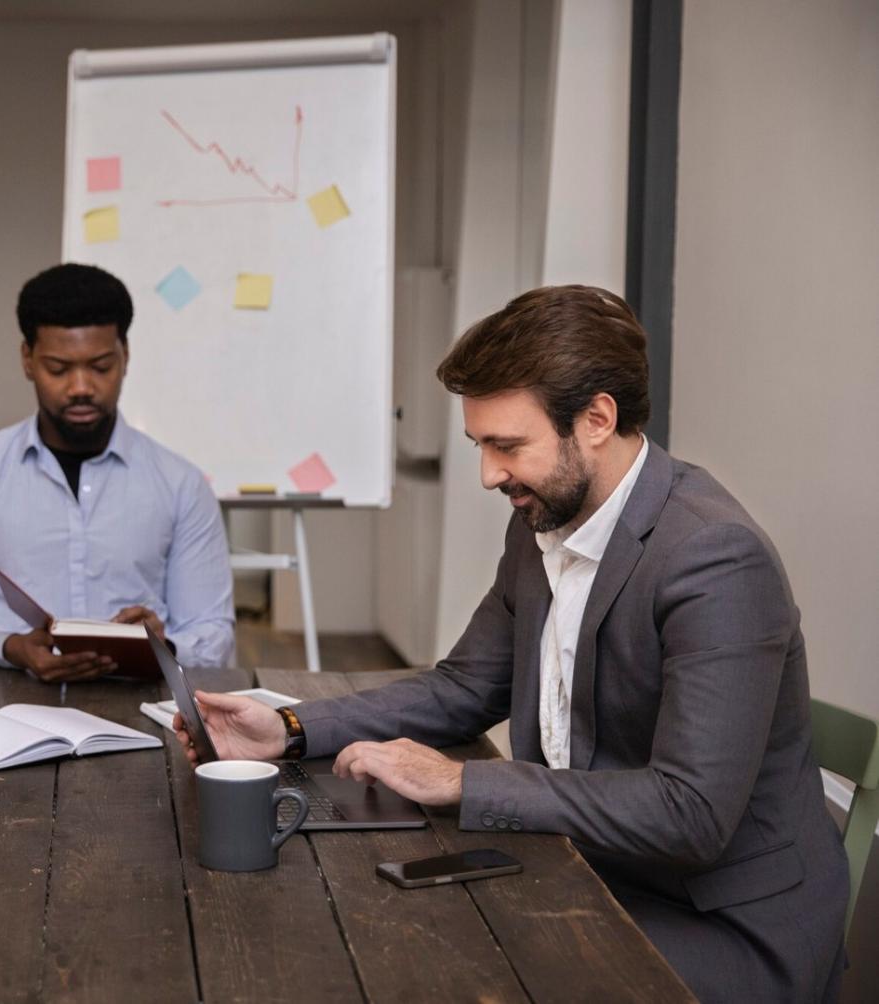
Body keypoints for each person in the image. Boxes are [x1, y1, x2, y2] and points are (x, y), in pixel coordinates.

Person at [175, 286, 847, 1002]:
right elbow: (463, 688)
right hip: (587, 871)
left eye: (507, 445)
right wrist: (287, 728)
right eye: (479, 445)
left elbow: (688, 813)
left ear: (595, 419)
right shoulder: (541, 521)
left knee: (445, 971)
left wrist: (463, 781)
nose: (489, 474)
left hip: (719, 926)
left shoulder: (713, 557)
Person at [0, 263, 234, 682]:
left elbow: (214, 634)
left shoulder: (181, 485)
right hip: (2, 708)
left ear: (126, 356)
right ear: (27, 360)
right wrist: (11, 648)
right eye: (59, 369)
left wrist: (162, 648)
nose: (81, 386)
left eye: (100, 367)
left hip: (146, 706)